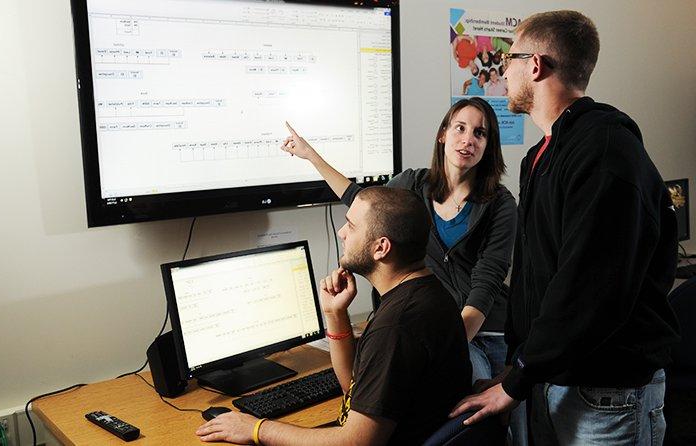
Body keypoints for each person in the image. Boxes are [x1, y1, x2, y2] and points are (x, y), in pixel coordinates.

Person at [450, 10, 681, 445]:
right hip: (552, 379)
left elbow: (589, 290)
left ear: (535, 65)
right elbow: (542, 277)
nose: (502, 67)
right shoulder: (541, 155)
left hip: (608, 395)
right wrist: (517, 369)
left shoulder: (605, 151)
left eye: (510, 57)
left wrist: (516, 380)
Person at [282, 98, 526, 443]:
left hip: (481, 327)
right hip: (438, 323)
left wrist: (448, 342)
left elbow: (485, 284)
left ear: (489, 146)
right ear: (443, 134)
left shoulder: (500, 204)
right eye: (460, 127)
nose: (467, 139)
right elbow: (366, 204)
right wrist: (311, 156)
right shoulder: (413, 185)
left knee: (486, 414)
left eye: (480, 133)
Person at [196, 187, 473, 445]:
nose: (341, 233)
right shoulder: (426, 293)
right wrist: (335, 313)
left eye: (351, 226)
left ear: (381, 248)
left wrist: (256, 428)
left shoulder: (396, 325)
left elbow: (355, 442)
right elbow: (354, 388)